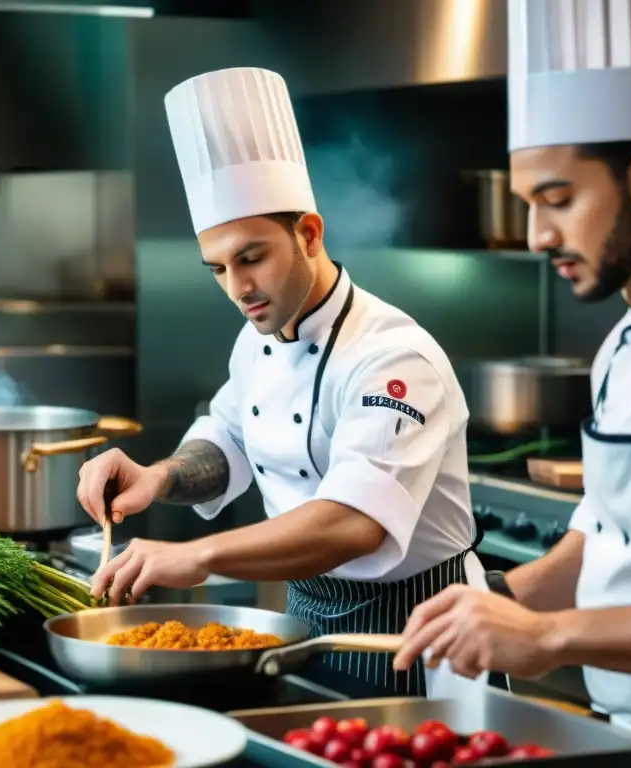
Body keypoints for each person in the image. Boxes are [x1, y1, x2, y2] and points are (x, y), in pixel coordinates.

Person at [394, 1, 631, 765]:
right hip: (625, 739)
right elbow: (606, 531)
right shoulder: (625, 341)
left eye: (557, 200)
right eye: (529, 205)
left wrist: (548, 636)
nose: (536, 237)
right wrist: (505, 600)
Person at [76, 67, 491, 698]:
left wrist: (198, 556)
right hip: (305, 622)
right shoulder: (259, 338)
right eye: (217, 268)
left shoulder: (393, 359)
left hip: (420, 637)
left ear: (309, 234)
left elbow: (353, 524)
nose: (238, 289)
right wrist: (157, 478)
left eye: (252, 257)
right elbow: (231, 439)